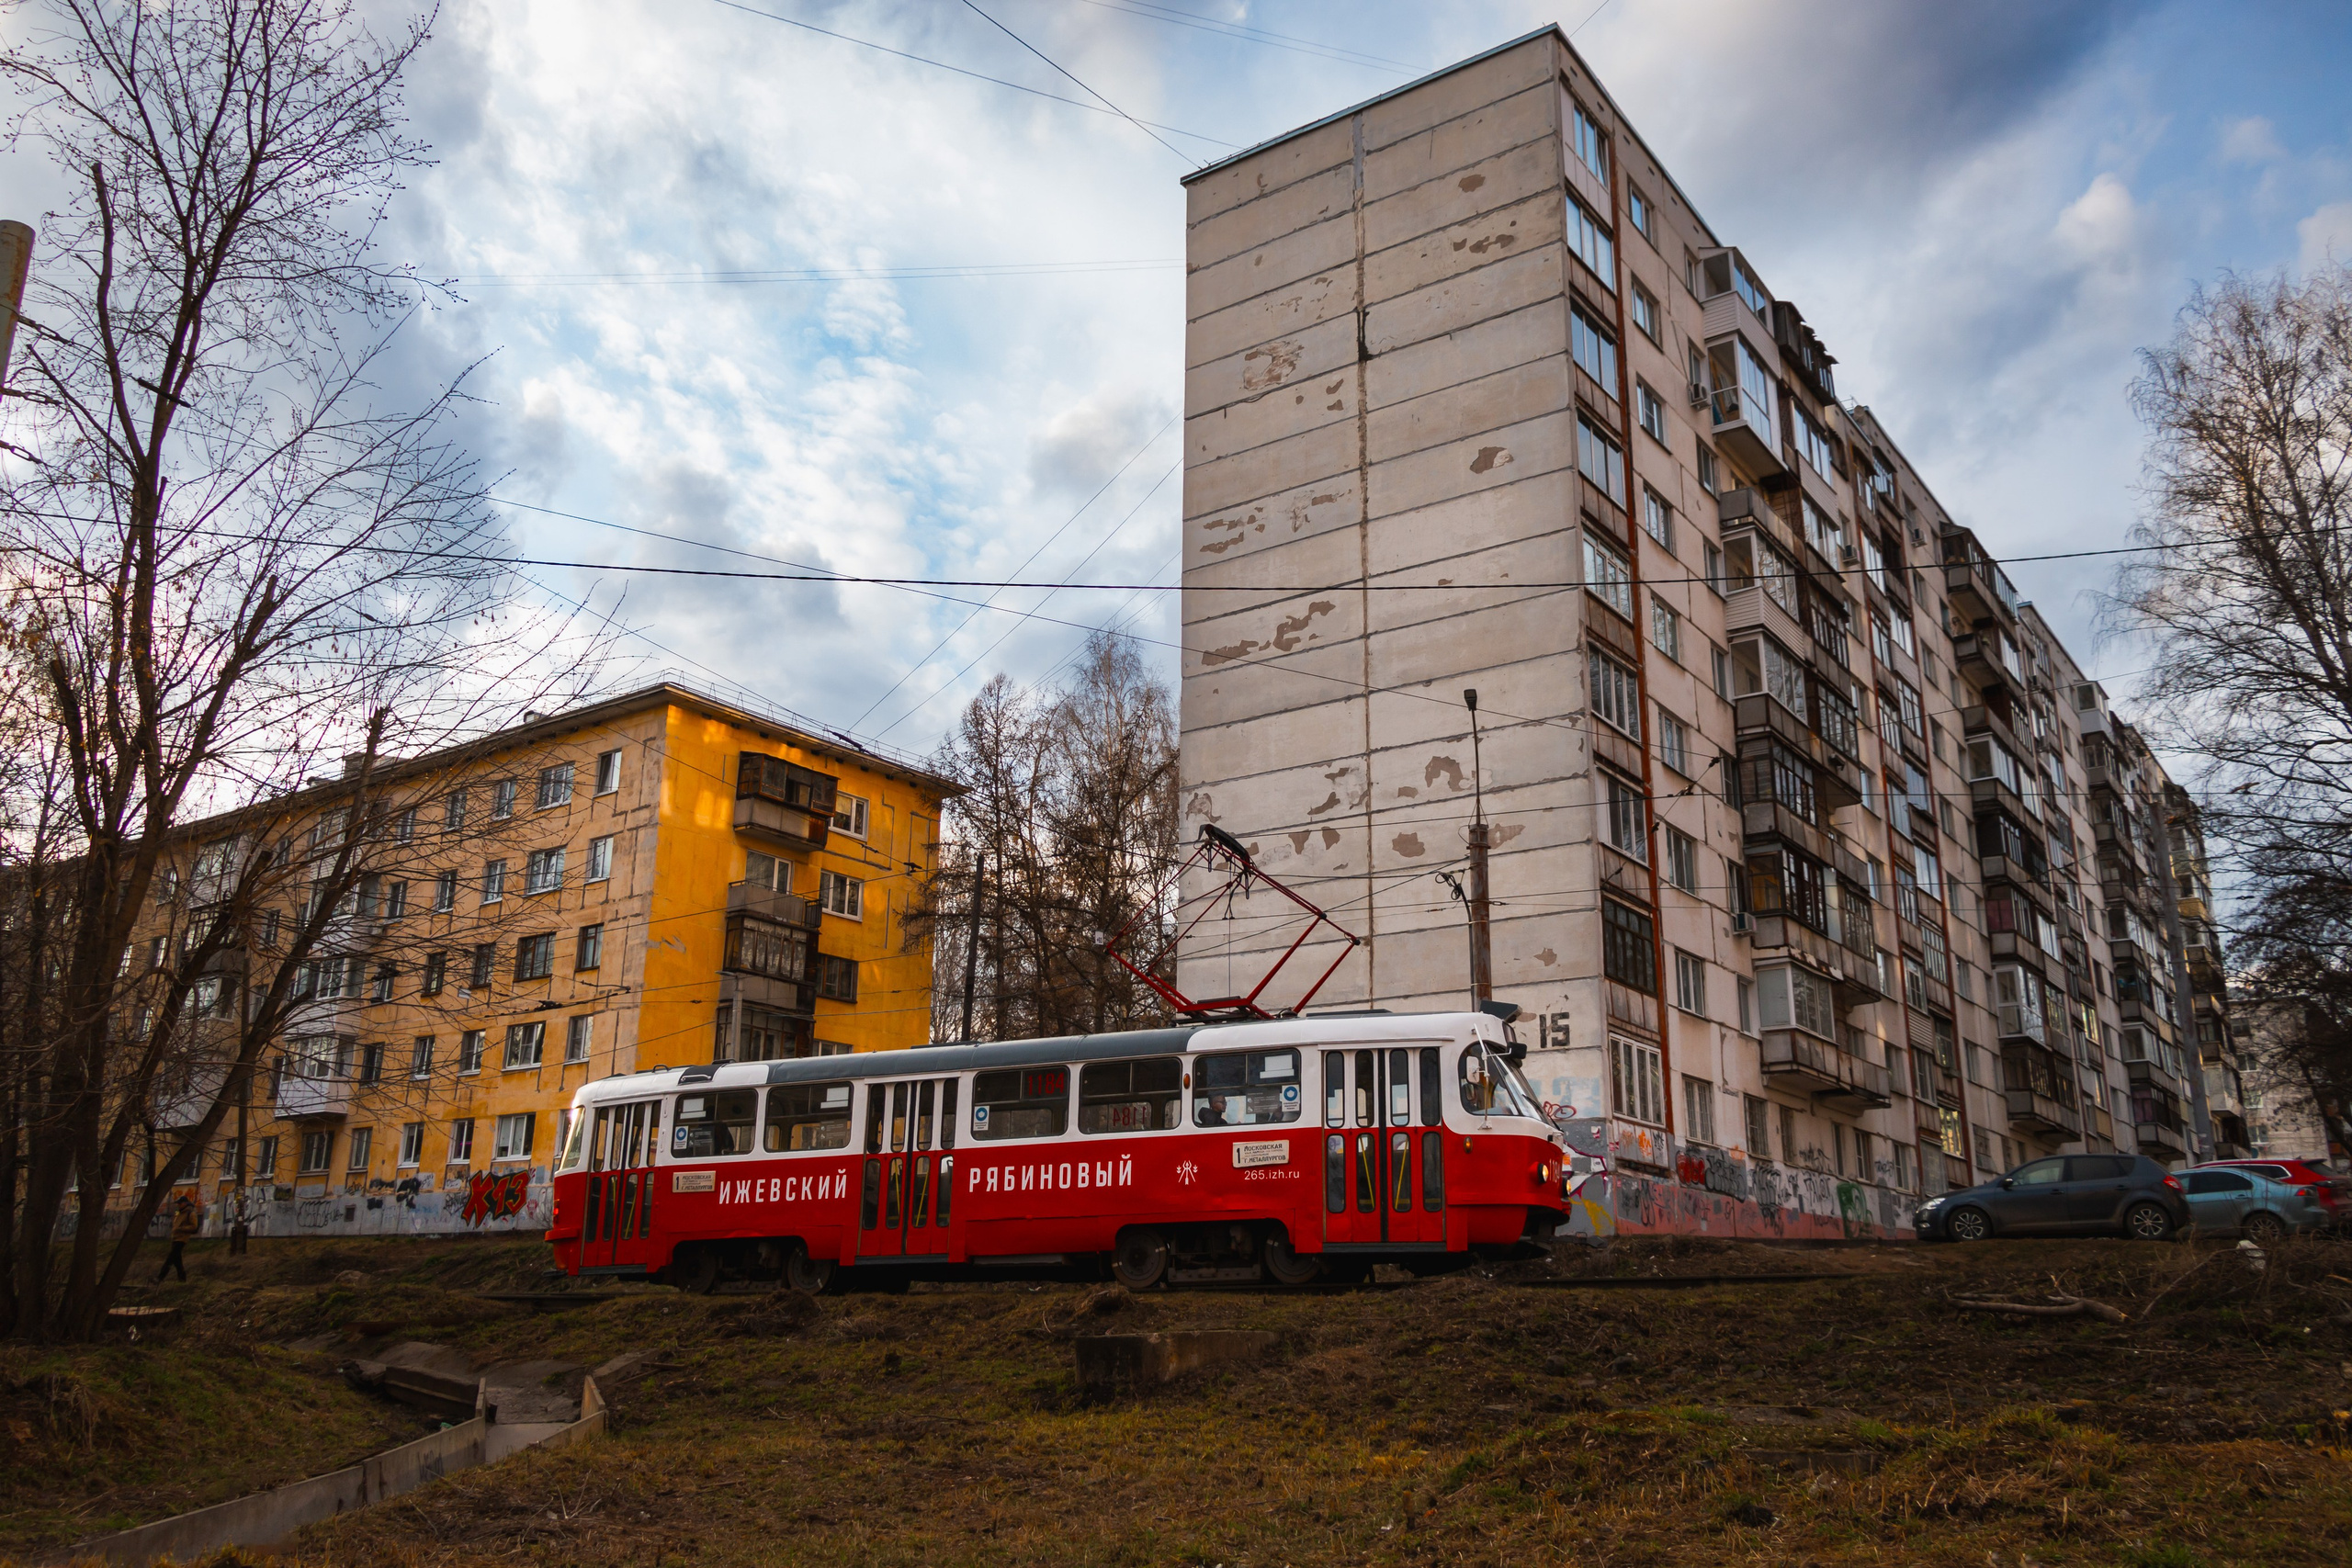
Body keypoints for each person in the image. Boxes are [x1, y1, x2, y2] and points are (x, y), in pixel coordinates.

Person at [157, 1192, 200, 1282]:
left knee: (170, 1259)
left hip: (182, 1239)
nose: (178, 1205)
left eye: (180, 1203)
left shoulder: (191, 1213)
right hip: (175, 1238)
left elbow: (194, 1226)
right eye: (177, 1203)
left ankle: (160, 1278)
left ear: (185, 1203)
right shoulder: (179, 1213)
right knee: (177, 1261)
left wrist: (181, 1229)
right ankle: (182, 1279)